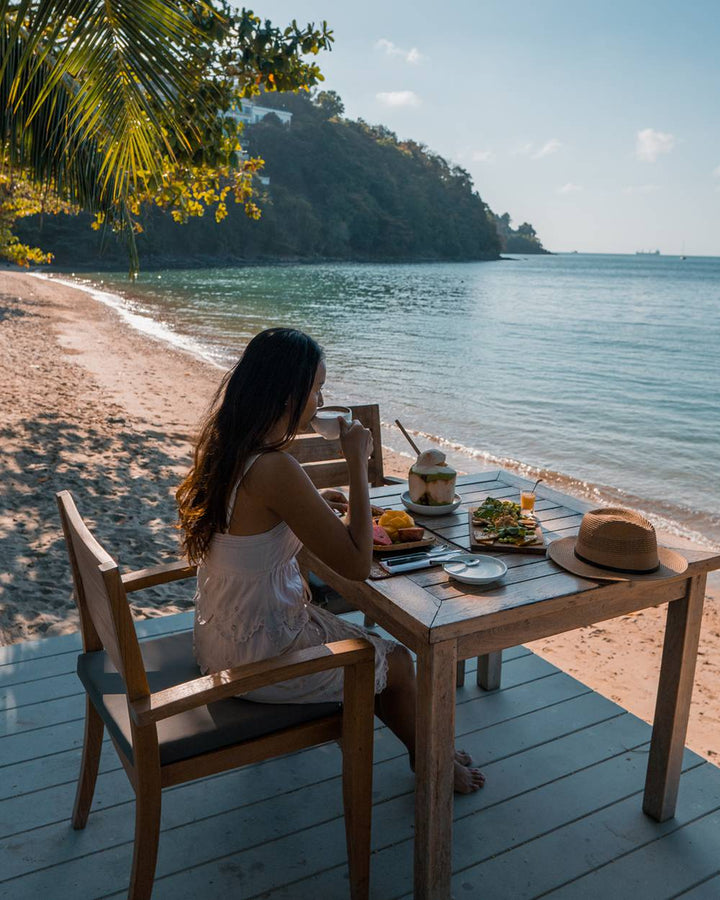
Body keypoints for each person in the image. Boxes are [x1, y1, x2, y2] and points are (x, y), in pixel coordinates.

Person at [176, 327, 484, 793]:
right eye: (317, 389)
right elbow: (359, 564)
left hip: (221, 638)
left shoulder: (233, 449)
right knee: (397, 662)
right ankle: (432, 762)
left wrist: (313, 501)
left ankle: (422, 746)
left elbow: (256, 521)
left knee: (373, 653)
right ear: (287, 395)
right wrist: (357, 462)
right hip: (257, 659)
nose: (321, 400)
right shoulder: (277, 467)